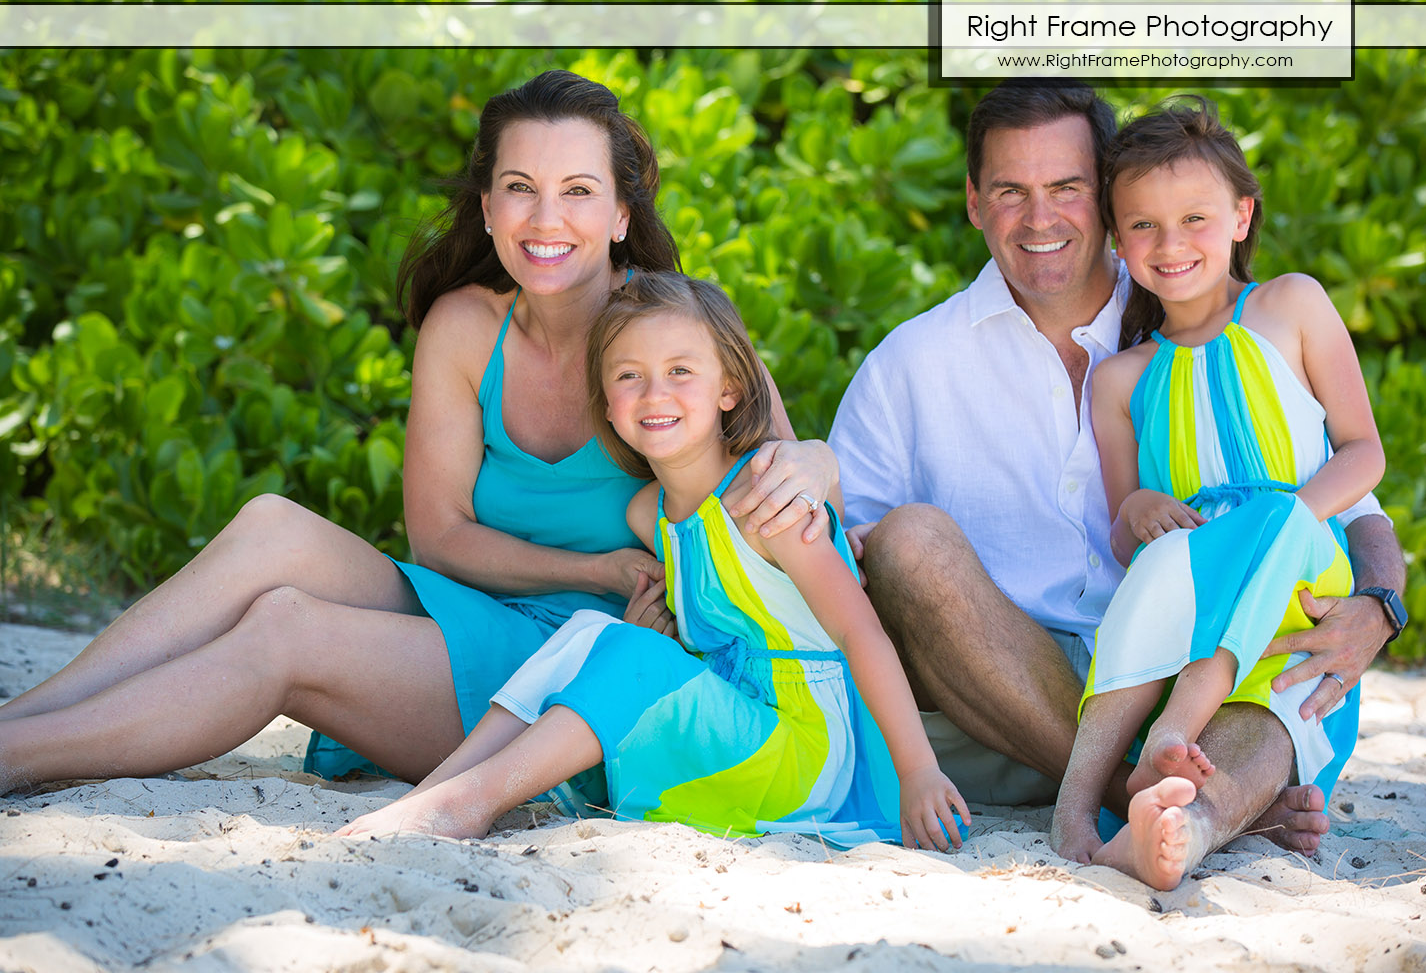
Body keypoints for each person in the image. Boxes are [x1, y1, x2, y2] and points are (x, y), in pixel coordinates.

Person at [0, 70, 835, 796]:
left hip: (596, 658)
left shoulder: (674, 331)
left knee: (287, 626)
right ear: (488, 205)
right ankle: (20, 723)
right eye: (520, 186)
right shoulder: (467, 326)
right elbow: (437, 538)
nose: (547, 217)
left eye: (579, 190)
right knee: (270, 527)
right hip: (481, 604)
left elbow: (785, 472)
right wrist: (601, 564)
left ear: (621, 214)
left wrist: (820, 461)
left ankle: (20, 754)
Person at [828, 81, 1407, 870]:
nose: (1040, 219)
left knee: (1260, 685)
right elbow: (844, 562)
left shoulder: (1216, 304)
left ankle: (1191, 811)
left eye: (1066, 187)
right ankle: (1161, 799)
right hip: (1004, 684)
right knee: (907, 541)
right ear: (971, 201)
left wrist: (1380, 605)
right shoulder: (909, 366)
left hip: (1205, 662)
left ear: (1102, 197)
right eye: (1009, 191)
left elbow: (1355, 485)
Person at [338, 272, 971, 850]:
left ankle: (471, 804)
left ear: (730, 388)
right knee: (594, 630)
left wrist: (918, 771)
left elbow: (860, 633)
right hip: (739, 727)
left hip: (807, 755)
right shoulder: (652, 514)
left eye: (680, 372)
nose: (654, 393)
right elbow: (718, 627)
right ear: (606, 403)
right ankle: (441, 792)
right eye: (629, 375)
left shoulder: (767, 500)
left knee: (629, 654)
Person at [1049, 98, 1386, 889]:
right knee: (1163, 565)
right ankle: (1092, 809)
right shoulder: (1121, 378)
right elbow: (1126, 535)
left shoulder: (1290, 305)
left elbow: (1365, 452)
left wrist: (1289, 521)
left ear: (1241, 215)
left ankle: (1183, 795)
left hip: (1300, 583)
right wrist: (1135, 513)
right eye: (1143, 226)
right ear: (1117, 238)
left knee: (1264, 532)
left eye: (1194, 218)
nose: (1170, 245)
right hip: (1187, 597)